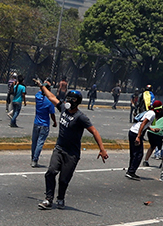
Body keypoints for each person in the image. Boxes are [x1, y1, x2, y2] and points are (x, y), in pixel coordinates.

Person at [30, 82, 108, 210]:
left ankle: (60, 199)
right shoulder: (63, 109)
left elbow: (94, 131)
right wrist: (42, 86)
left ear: (77, 102)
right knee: (50, 172)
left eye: (72, 100)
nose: (69, 101)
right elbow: (51, 98)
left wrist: (102, 149)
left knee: (63, 180)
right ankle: (48, 199)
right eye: (68, 99)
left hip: (72, 154)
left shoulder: (80, 117)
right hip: (59, 148)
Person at [126, 100, 160, 180]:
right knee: (139, 154)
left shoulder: (149, 112)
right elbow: (143, 124)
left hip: (133, 131)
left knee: (134, 153)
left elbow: (145, 124)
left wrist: (152, 129)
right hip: (136, 133)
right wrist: (138, 136)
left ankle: (130, 171)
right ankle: (131, 172)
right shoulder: (152, 114)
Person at [30, 81, 57, 167]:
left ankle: (32, 158)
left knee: (34, 142)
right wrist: (55, 122)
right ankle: (35, 160)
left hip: (36, 123)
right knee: (40, 143)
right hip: (44, 124)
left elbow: (40, 90)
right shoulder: (49, 101)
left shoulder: (38, 96)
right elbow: (52, 114)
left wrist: (41, 84)